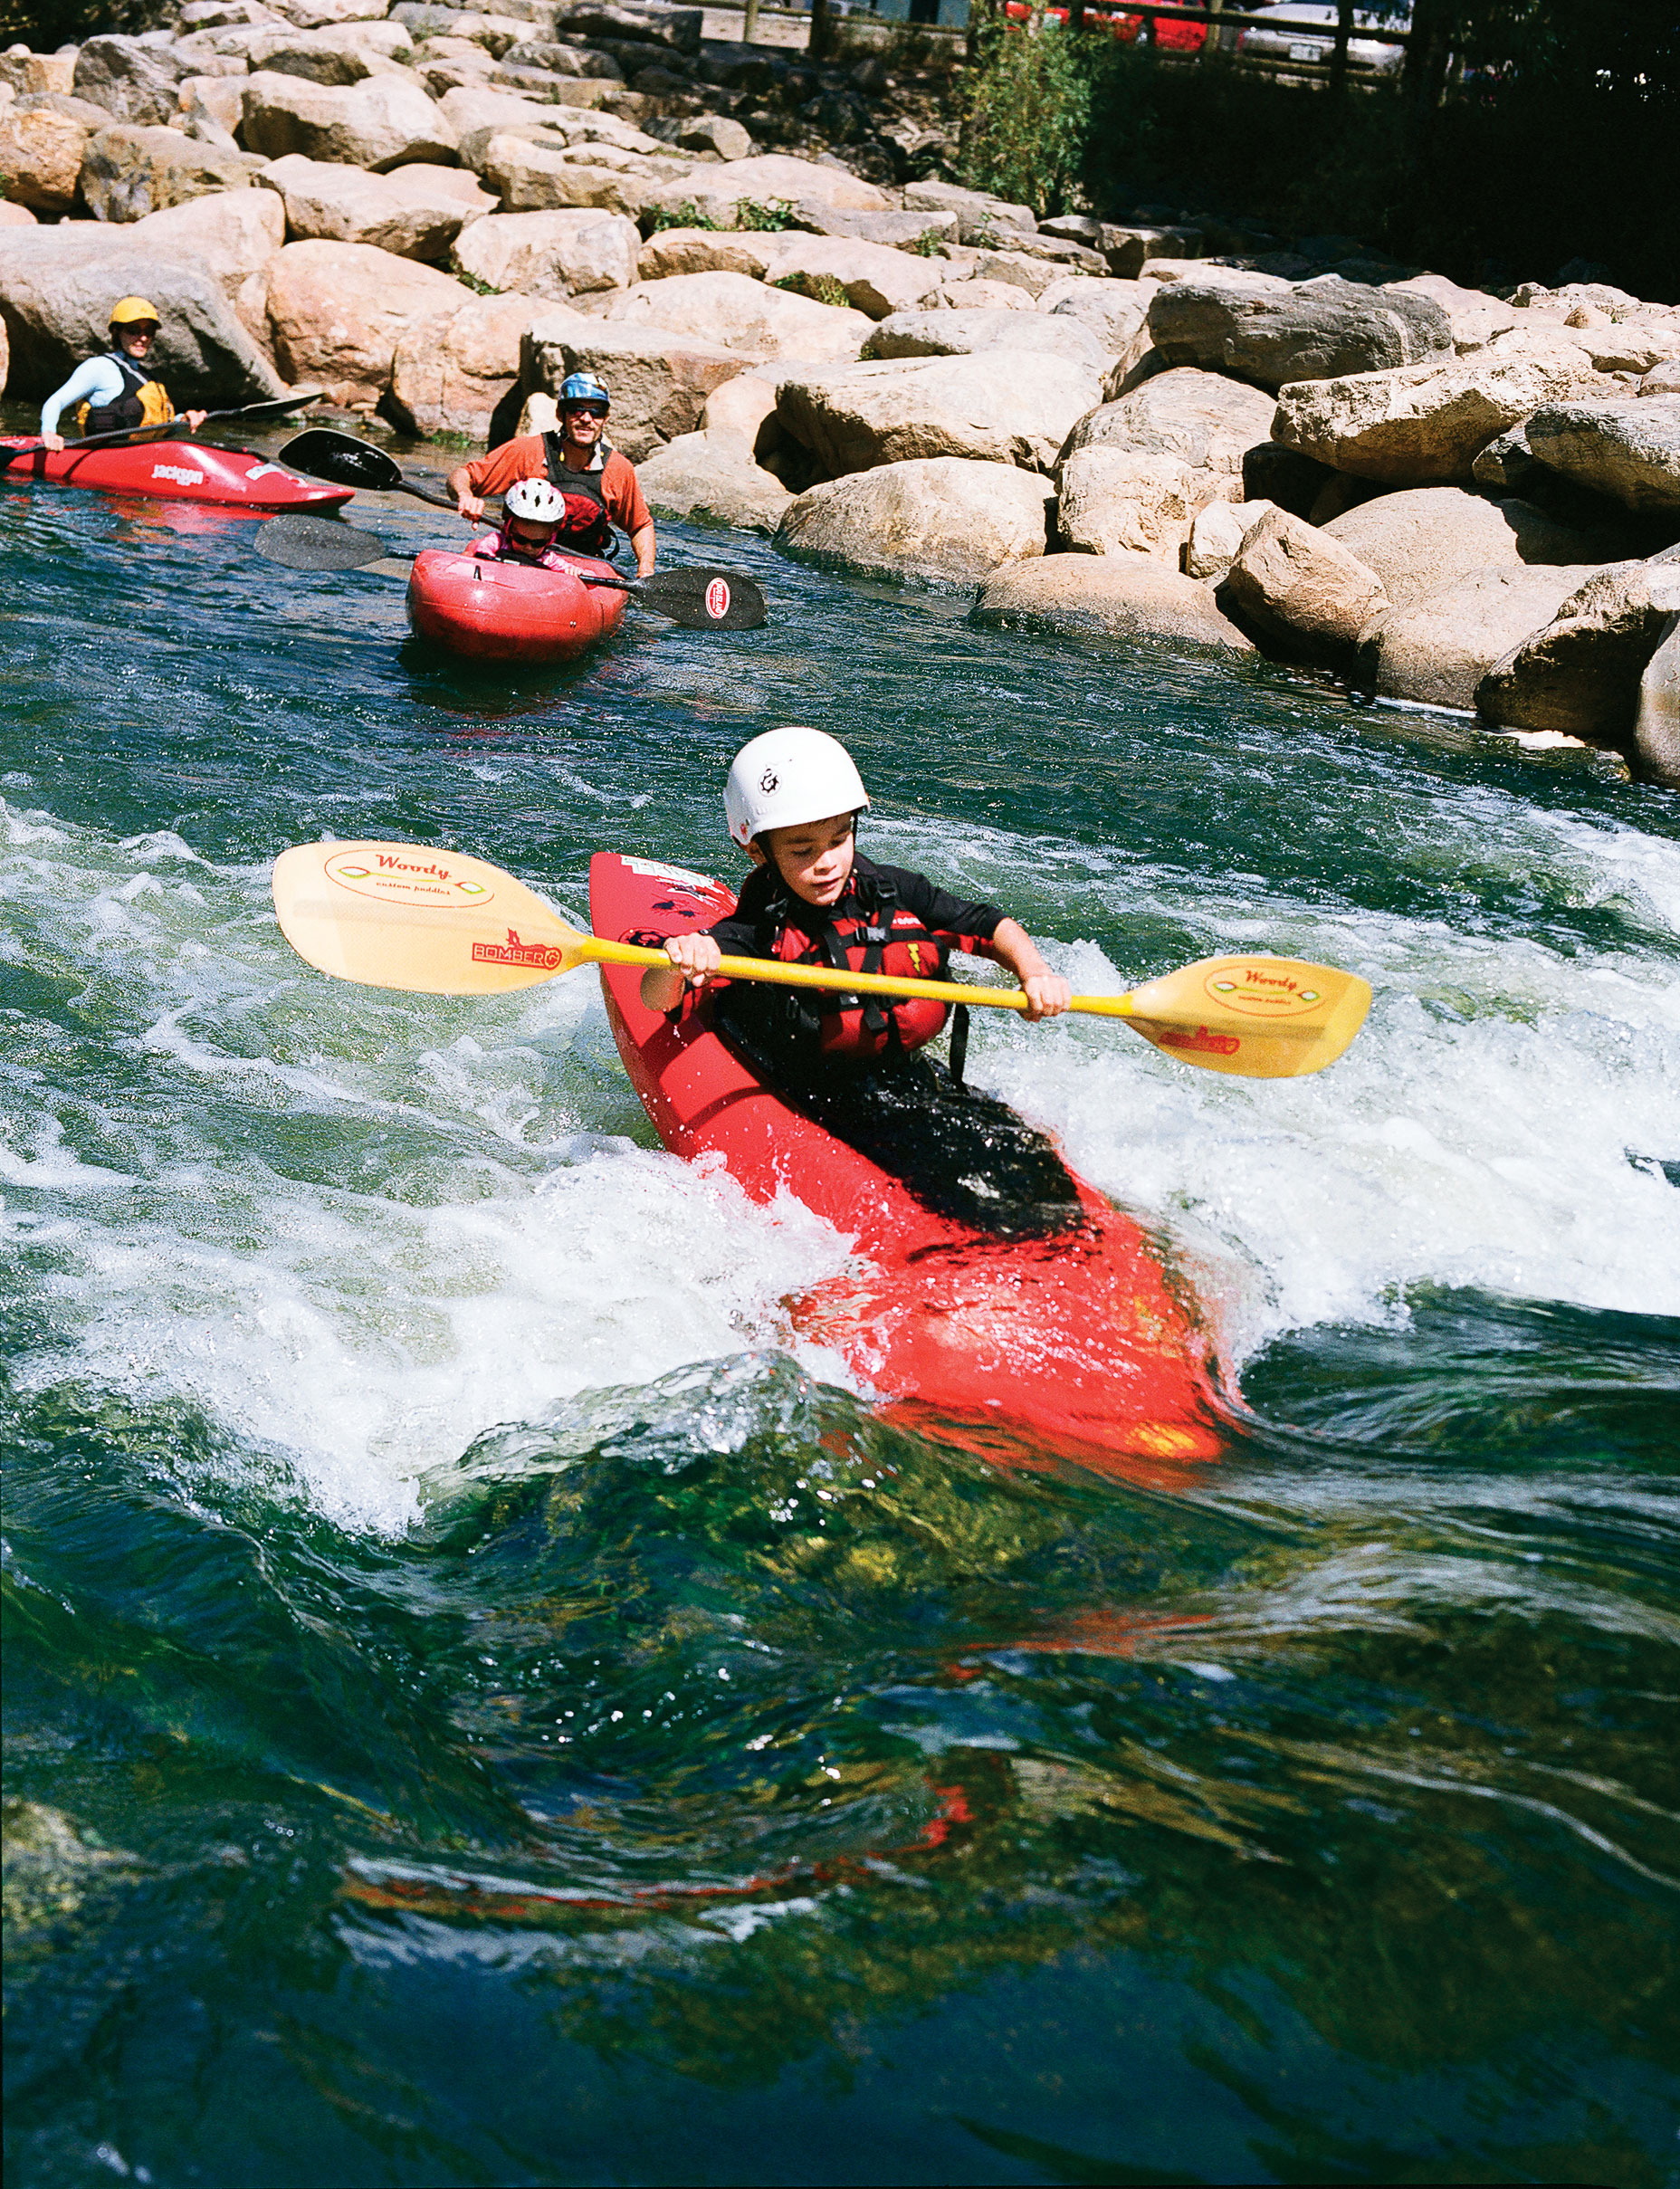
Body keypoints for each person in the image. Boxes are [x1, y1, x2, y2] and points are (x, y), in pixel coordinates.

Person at [640, 726, 1074, 1051]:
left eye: (838, 839)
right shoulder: (757, 927)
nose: (827, 862)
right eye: (802, 850)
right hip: (807, 1081)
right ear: (758, 852)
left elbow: (990, 925)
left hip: (899, 1072)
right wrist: (677, 961)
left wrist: (1035, 973)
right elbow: (654, 999)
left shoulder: (891, 890)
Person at [446, 371, 656, 578]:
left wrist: (645, 570)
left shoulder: (619, 469)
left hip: (581, 571)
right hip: (518, 555)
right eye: (576, 410)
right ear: (560, 414)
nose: (586, 419)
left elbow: (640, 525)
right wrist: (465, 495)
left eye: (596, 412)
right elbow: (463, 475)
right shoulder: (527, 451)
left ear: (605, 419)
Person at [39, 297, 208, 450]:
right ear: (117, 332)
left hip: (141, 458)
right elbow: (55, 401)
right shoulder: (99, 367)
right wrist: (49, 433)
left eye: (148, 332)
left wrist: (184, 421)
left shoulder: (147, 378)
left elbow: (157, 429)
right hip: (102, 459)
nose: (142, 338)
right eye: (133, 330)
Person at [468, 476, 580, 569]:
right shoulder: (497, 542)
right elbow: (483, 549)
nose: (528, 548)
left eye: (537, 543)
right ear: (509, 529)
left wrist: (574, 572)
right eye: (521, 540)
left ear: (550, 538)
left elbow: (583, 574)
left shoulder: (548, 559)